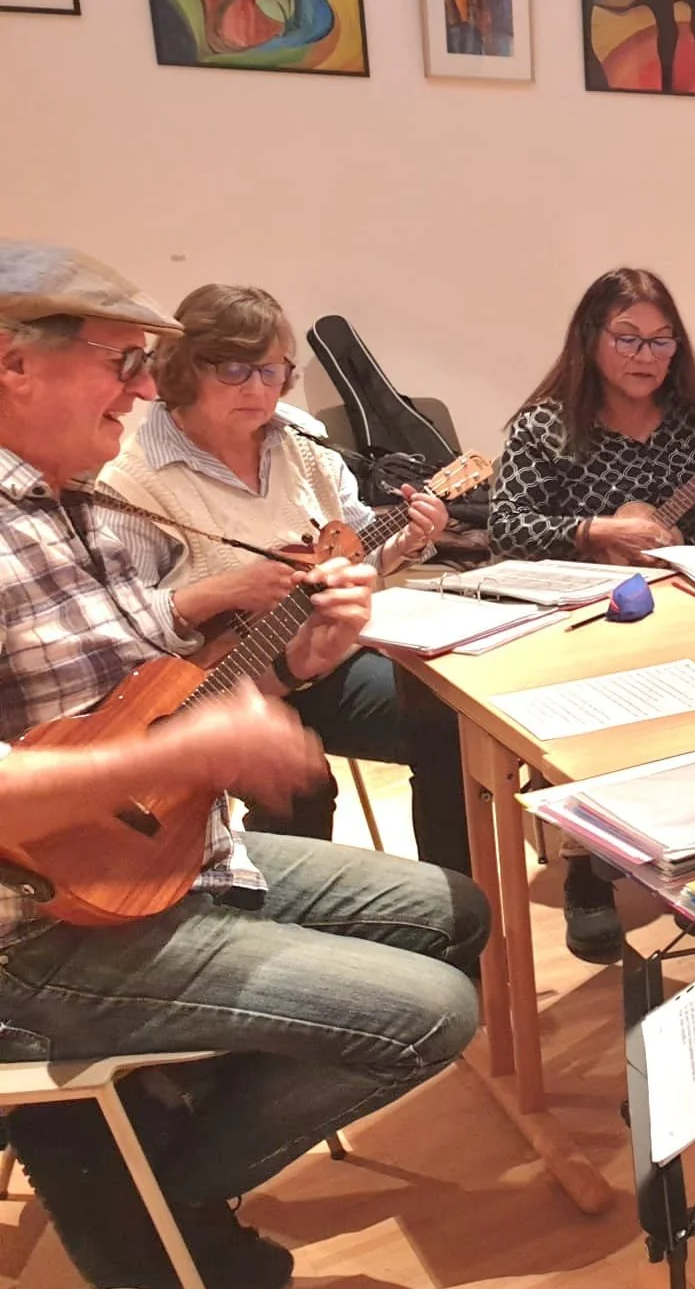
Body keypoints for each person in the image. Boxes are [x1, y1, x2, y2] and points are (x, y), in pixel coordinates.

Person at [0, 241, 488, 1289]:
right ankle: (130, 1194)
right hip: (42, 924)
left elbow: (162, 689)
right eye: (121, 360)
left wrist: (302, 657)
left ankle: (141, 1119)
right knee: (431, 1012)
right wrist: (189, 753)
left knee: (453, 912)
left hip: (173, 849)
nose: (142, 390)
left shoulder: (101, 511)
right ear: (13, 365)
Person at [97, 283, 469, 875]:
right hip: (222, 691)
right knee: (300, 787)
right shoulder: (133, 482)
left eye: (273, 372)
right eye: (236, 370)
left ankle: (452, 918)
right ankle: (297, 929)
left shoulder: (298, 436)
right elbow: (122, 632)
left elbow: (351, 547)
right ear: (185, 368)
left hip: (326, 663)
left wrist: (408, 539)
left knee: (450, 727)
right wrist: (223, 591)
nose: (259, 390)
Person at [491, 267, 695, 961]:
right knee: (597, 725)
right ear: (591, 340)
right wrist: (595, 531)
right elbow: (506, 528)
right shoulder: (547, 426)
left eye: (661, 341)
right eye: (628, 339)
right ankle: (587, 870)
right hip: (593, 616)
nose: (646, 357)